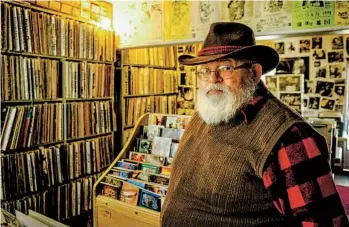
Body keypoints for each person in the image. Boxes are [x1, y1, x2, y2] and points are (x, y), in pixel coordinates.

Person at [161, 22, 348, 227]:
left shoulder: (289, 135)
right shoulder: (206, 112)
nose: (212, 79)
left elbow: (325, 222)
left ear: (255, 72)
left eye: (226, 68)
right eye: (204, 70)